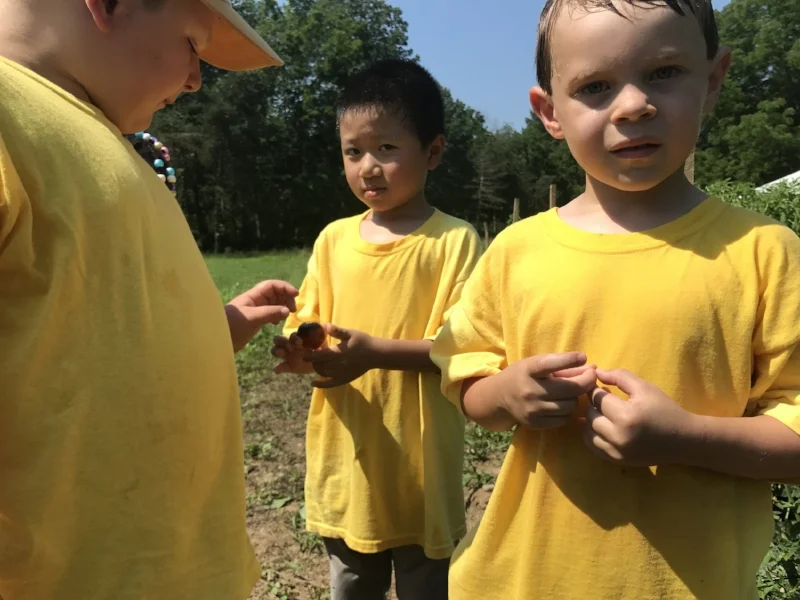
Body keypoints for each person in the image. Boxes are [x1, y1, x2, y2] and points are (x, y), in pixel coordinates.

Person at [430, 1, 800, 598]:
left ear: (712, 81)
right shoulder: (516, 251)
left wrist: (684, 437)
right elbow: (467, 381)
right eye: (596, 86)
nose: (633, 106)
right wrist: (508, 392)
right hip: (525, 580)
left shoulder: (763, 253)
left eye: (664, 73)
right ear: (550, 112)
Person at [0, 0, 297, 598]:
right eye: (193, 44)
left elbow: (85, 321)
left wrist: (214, 329)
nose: (196, 79)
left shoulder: (103, 134)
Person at [271, 59, 482, 600]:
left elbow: (463, 346)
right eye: (353, 151)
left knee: (424, 583)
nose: (369, 166)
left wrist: (376, 354)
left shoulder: (453, 241)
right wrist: (302, 345)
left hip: (419, 462)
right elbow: (309, 317)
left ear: (432, 152)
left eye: (387, 149)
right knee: (352, 581)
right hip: (348, 456)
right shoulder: (333, 240)